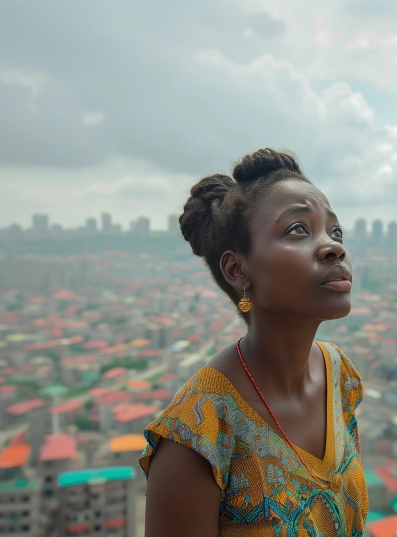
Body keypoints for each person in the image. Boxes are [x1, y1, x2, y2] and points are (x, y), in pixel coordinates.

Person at [140, 148, 368, 537]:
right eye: (298, 229)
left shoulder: (338, 374)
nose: (335, 247)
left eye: (335, 231)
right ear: (237, 269)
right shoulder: (197, 436)